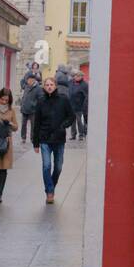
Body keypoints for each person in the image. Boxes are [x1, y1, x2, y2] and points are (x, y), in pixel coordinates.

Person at [31, 75, 74, 204]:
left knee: (58, 167)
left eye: (51, 85)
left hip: (59, 138)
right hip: (44, 138)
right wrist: (36, 143)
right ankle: (49, 192)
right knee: (46, 166)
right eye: (47, 85)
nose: (49, 87)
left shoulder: (63, 99)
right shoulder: (41, 101)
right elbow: (36, 123)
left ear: (55, 86)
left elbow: (71, 116)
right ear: (44, 87)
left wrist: (63, 126)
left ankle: (51, 185)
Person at [19, 67, 42, 143]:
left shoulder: (38, 88)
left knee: (33, 125)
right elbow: (22, 81)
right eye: (28, 80)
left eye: (31, 79)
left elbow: (40, 98)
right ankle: (23, 137)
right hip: (24, 108)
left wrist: (35, 105)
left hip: (33, 110)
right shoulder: (26, 86)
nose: (29, 81)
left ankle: (33, 138)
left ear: (34, 80)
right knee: (23, 125)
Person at [68, 70, 89, 140]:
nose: (76, 77)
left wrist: (84, 106)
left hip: (79, 106)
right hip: (71, 105)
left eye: (77, 76)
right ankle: (73, 135)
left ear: (81, 76)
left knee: (79, 121)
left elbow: (86, 96)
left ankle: (81, 135)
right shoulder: (71, 82)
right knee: (72, 122)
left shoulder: (84, 85)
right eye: (75, 76)